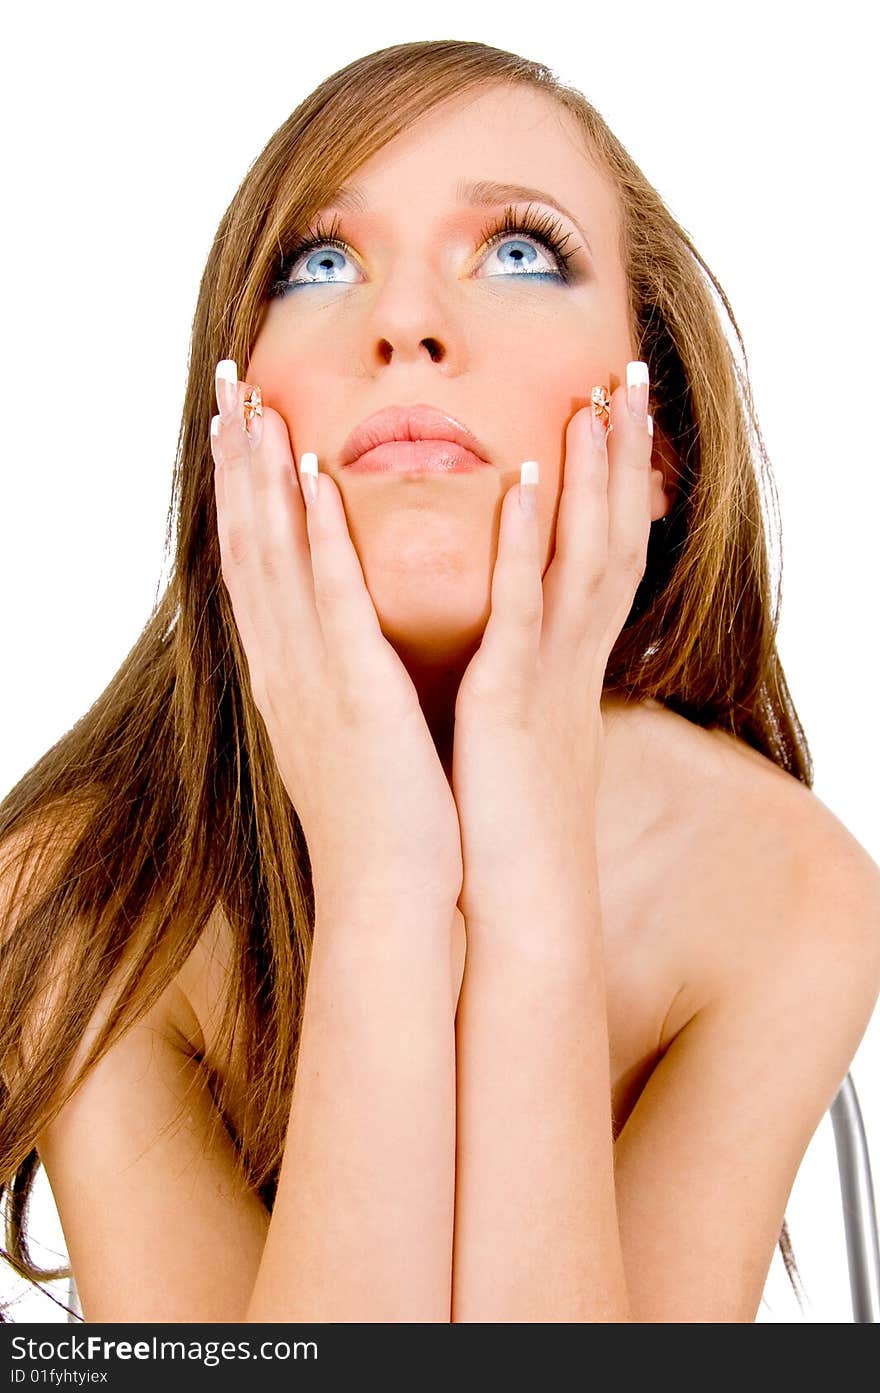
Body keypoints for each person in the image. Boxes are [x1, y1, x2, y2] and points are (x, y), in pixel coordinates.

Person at [1, 37, 878, 1325]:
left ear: (654, 456)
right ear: (228, 425)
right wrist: (386, 887)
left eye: (521, 252)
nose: (405, 323)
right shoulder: (80, 902)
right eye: (321, 262)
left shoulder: (784, 894)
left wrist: (529, 894)